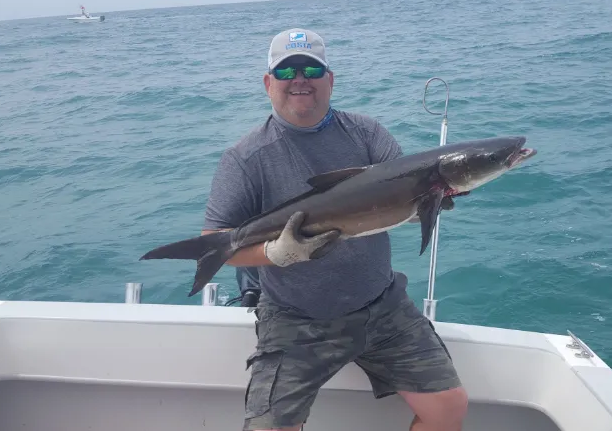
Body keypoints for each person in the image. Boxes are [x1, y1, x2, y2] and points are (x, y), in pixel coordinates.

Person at [200, 28, 468, 431]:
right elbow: (214, 243)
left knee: (448, 408)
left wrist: (432, 201)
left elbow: (404, 199)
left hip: (381, 304)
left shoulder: (367, 134)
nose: (300, 79)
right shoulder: (245, 158)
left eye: (311, 68)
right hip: (295, 317)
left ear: (330, 79)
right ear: (268, 83)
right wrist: (274, 254)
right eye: (287, 71)